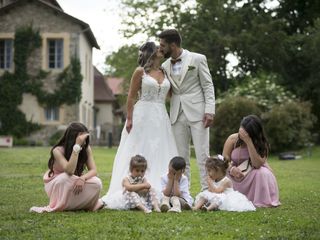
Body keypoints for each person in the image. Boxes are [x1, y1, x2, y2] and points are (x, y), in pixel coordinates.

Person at [101, 42, 178, 209]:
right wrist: (129, 118)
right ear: (151, 52)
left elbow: (171, 94)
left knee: (160, 148)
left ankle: (162, 189)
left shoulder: (165, 71)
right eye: (158, 48)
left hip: (161, 116)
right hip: (142, 114)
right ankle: (135, 185)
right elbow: (130, 97)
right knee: (139, 147)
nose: (161, 50)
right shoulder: (140, 72)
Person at [158, 29, 215, 190]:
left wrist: (210, 110)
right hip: (176, 114)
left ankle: (207, 191)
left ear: (173, 45)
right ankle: (184, 193)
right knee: (181, 158)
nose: (160, 48)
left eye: (163, 45)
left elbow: (208, 85)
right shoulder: (164, 65)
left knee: (203, 155)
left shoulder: (197, 59)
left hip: (199, 113)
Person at [30, 122, 103, 213]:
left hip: (74, 180)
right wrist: (76, 147)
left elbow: (94, 170)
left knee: (97, 182)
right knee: (65, 177)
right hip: (58, 182)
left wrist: (83, 178)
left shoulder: (86, 148)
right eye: (82, 138)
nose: (84, 142)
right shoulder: (57, 150)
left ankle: (79, 205)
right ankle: (62, 205)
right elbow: (69, 170)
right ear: (74, 137)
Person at [223, 115, 281, 207]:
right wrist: (231, 169)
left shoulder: (261, 143)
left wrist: (248, 141)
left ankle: (258, 199)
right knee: (219, 169)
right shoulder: (233, 139)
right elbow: (225, 158)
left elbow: (256, 164)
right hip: (234, 173)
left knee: (262, 173)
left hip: (252, 172)